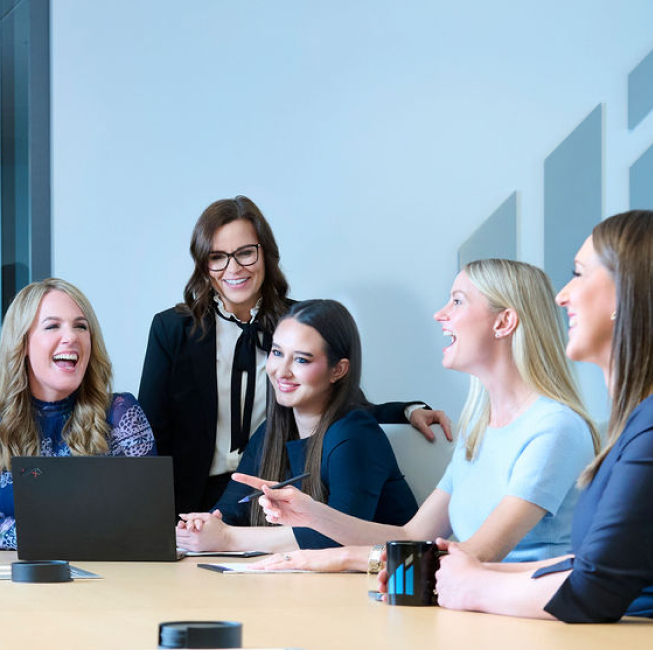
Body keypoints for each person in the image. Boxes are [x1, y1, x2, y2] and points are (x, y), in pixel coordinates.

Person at [378, 211, 653, 638]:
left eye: (578, 275)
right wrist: (464, 570)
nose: (561, 296)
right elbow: (592, 564)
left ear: (628, 294)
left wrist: (473, 585)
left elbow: (594, 588)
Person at [241, 259, 599, 573]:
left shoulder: (555, 428)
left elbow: (476, 556)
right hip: (477, 612)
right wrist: (311, 514)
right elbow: (411, 535)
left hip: (530, 624)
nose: (441, 313)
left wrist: (345, 558)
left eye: (457, 301)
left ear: (504, 322)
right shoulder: (480, 427)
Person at [138, 195, 451, 515]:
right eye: (218, 257)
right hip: (187, 499)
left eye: (246, 253)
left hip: (277, 491)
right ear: (205, 265)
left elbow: (342, 402)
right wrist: (151, 517)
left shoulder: (297, 323)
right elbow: (149, 436)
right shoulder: (172, 328)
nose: (233, 268)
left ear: (266, 254)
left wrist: (407, 412)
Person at [175, 299, 418, 553]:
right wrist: (202, 527)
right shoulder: (272, 430)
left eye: (301, 360)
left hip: (389, 583)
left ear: (338, 370)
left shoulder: (356, 435)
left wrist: (227, 538)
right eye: (277, 353)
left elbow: (336, 537)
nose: (282, 371)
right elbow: (230, 511)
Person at [0, 278, 156, 550]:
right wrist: (49, 534)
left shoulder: (120, 413)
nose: (71, 337)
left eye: (81, 326)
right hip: (10, 584)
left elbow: (149, 518)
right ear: (22, 343)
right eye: (52, 326)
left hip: (104, 583)